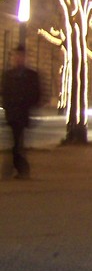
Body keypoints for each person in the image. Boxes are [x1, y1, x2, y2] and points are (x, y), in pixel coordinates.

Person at [2, 45, 41, 179]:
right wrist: (7, 106)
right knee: (17, 141)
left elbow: (36, 94)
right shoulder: (8, 75)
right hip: (13, 113)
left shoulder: (30, 76)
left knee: (17, 141)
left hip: (22, 113)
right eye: (16, 56)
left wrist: (27, 104)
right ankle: (20, 168)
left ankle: (17, 168)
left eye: (20, 56)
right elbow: (4, 92)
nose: (17, 59)